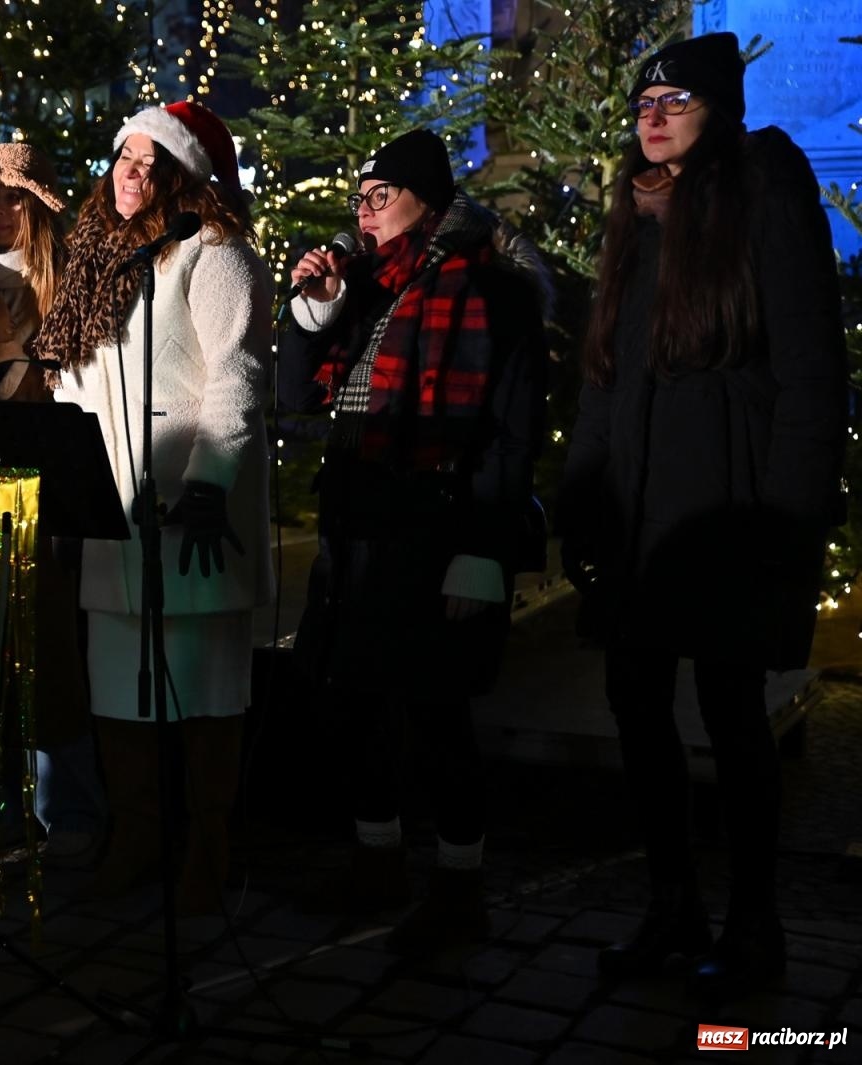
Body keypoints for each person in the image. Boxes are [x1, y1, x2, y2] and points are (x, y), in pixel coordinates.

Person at [560, 33, 847, 998]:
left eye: (676, 100)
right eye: (644, 101)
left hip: (728, 504)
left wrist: (790, 520)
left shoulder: (761, 191)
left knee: (730, 712)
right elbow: (605, 375)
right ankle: (672, 904)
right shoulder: (637, 214)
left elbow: (812, 371)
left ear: (718, 109)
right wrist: (583, 493)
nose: (652, 115)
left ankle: (754, 924)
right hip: (642, 510)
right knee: (637, 701)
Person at [277, 128, 549, 955]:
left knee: (436, 716)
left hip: (438, 527)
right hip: (358, 528)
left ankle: (459, 887)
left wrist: (483, 546)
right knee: (347, 703)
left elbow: (510, 432)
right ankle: (377, 861)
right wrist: (314, 308)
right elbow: (293, 394)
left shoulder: (491, 291)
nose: (362, 214)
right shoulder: (361, 289)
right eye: (356, 198)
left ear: (426, 202)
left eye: (379, 196)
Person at [31, 101, 274, 915]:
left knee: (203, 688)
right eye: (123, 157)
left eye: (148, 160)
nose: (129, 173)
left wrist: (208, 483)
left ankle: (210, 842)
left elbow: (236, 379)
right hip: (112, 506)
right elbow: (75, 376)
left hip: (193, 511)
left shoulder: (217, 253)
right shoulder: (100, 255)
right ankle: (135, 836)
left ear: (183, 174)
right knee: (117, 690)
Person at [0, 143, 108, 866]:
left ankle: (67, 807)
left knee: (49, 647)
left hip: (47, 472)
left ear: (37, 206)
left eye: (14, 198)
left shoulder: (67, 277)